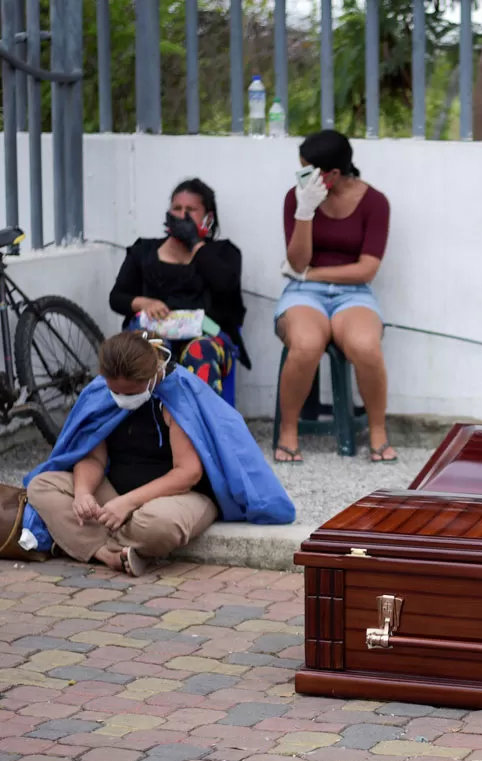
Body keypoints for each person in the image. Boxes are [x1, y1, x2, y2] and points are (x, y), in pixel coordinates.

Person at [23, 331, 296, 577]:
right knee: (42, 485)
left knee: (160, 526)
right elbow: (92, 457)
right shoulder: (101, 394)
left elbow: (188, 473)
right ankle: (107, 554)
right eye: (113, 391)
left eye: (128, 392)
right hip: (115, 497)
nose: (119, 398)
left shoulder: (177, 397)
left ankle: (79, 540)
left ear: (151, 376)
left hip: (176, 498)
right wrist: (83, 493)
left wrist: (127, 504)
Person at [274, 129, 397, 465]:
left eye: (308, 170)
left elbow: (366, 269)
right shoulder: (296, 198)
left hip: (353, 294)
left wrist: (313, 273)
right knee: (306, 344)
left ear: (333, 174)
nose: (302, 177)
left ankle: (377, 432)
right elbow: (298, 262)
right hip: (303, 294)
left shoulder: (375, 203)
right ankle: (288, 432)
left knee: (365, 346)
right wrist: (305, 211)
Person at [109, 178, 250, 398]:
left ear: (208, 218)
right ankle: (149, 427)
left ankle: (197, 428)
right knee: (148, 349)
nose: (182, 215)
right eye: (177, 208)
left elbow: (227, 289)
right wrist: (145, 303)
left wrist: (195, 242)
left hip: (205, 338)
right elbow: (116, 298)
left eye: (191, 210)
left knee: (200, 351)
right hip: (155, 332)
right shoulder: (143, 250)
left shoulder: (224, 253)